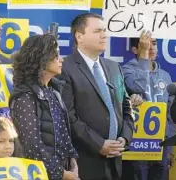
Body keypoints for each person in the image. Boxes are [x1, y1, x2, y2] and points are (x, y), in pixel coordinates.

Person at [58, 13, 133, 180]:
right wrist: (98, 144)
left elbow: (126, 107)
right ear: (79, 36)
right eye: (98, 31)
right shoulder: (65, 68)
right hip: (85, 161)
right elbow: (68, 116)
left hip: (115, 160)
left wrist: (124, 138)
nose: (104, 35)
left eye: (104, 30)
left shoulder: (114, 67)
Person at [9, 34, 79, 180]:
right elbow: (31, 145)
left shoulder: (54, 93)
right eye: (56, 55)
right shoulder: (25, 97)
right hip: (40, 175)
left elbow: (64, 135)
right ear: (41, 59)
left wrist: (73, 161)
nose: (62, 59)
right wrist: (61, 174)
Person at [121, 31, 175, 180]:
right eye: (145, 43)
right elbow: (138, 87)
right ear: (135, 49)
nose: (150, 47)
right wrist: (144, 55)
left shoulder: (165, 76)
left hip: (162, 144)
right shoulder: (125, 70)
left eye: (154, 43)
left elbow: (170, 112)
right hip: (137, 143)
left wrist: (169, 143)